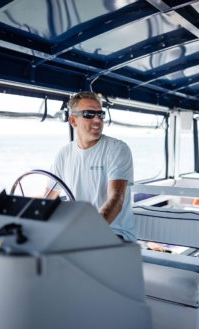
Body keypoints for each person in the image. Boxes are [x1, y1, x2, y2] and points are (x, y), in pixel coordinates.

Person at [46, 91, 136, 241]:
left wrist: (88, 231)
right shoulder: (64, 154)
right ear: (73, 121)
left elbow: (115, 200)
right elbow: (49, 197)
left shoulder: (117, 149)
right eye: (89, 114)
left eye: (100, 115)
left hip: (115, 233)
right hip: (79, 231)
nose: (97, 120)